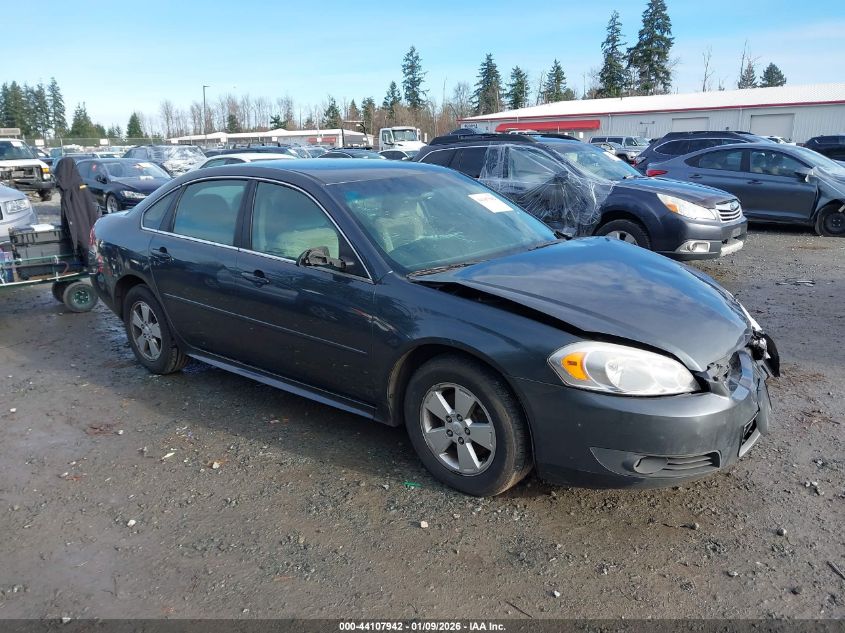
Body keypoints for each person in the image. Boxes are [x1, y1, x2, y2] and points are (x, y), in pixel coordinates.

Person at [53, 158, 100, 263]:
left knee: (83, 240)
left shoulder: (74, 187)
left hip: (82, 231)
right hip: (84, 230)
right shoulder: (76, 184)